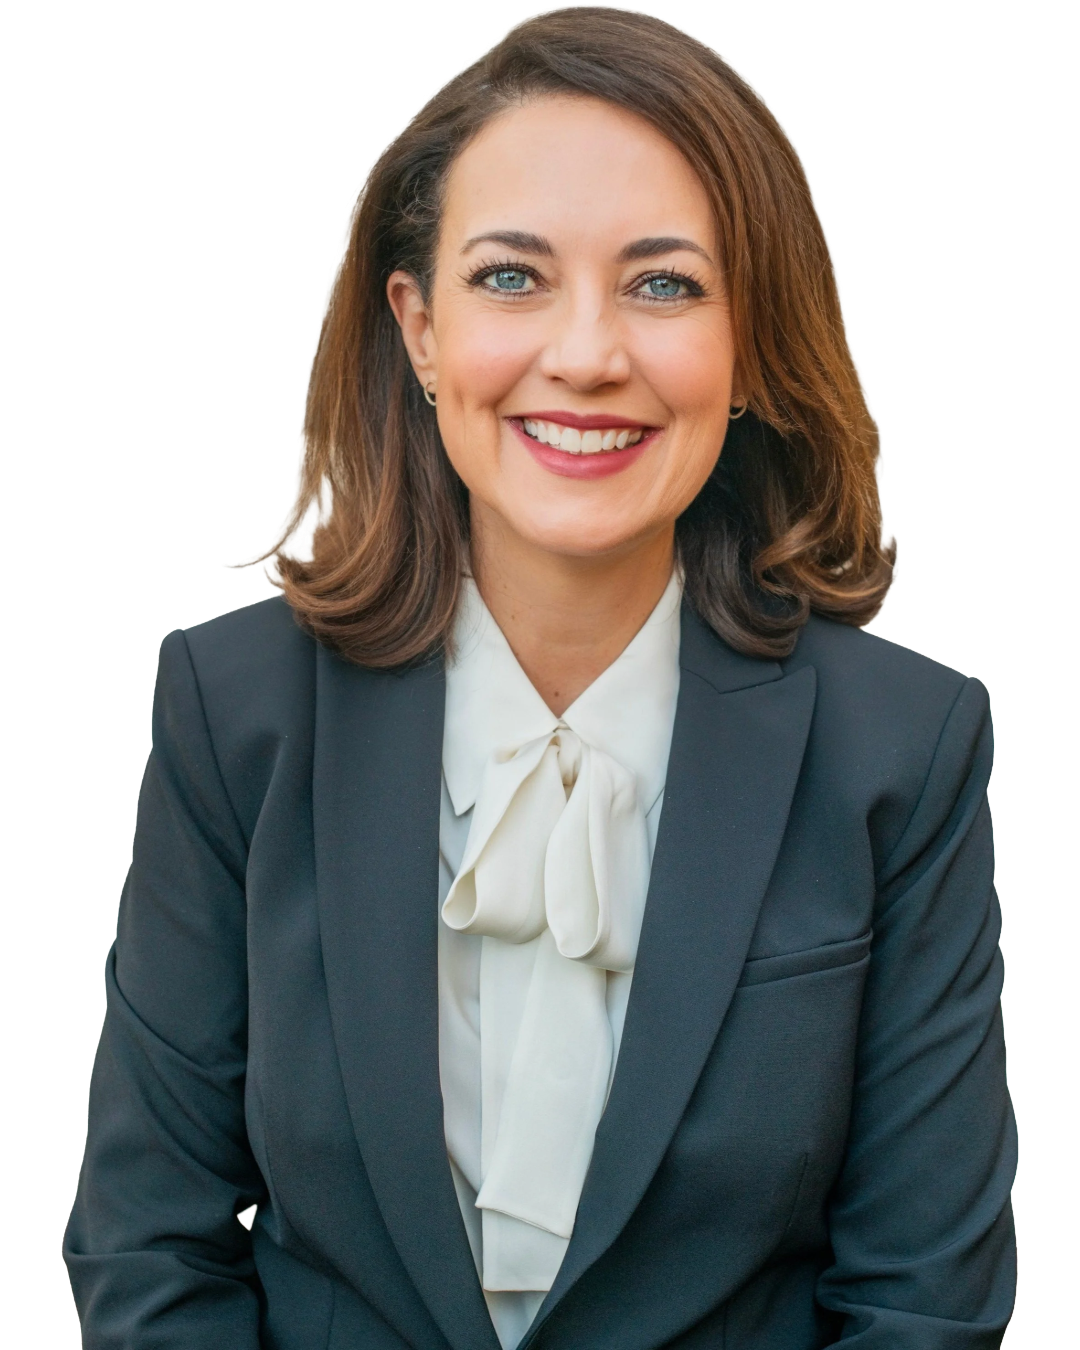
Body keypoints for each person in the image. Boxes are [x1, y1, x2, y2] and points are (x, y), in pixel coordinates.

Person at [62, 7, 1017, 1347]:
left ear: (749, 347)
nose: (585, 352)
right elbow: (149, 1248)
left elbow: (922, 1298)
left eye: (666, 284)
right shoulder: (236, 711)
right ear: (420, 325)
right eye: (512, 277)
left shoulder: (905, 745)